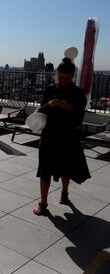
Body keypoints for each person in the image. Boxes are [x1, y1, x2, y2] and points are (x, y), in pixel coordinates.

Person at [33, 57, 91, 216]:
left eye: (67, 78)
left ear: (72, 76)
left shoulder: (79, 94)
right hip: (49, 135)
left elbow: (79, 118)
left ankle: (64, 194)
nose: (63, 81)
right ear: (57, 75)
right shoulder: (50, 90)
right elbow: (40, 111)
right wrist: (49, 105)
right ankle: (43, 204)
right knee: (45, 170)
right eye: (61, 77)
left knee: (66, 168)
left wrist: (68, 107)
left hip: (68, 136)